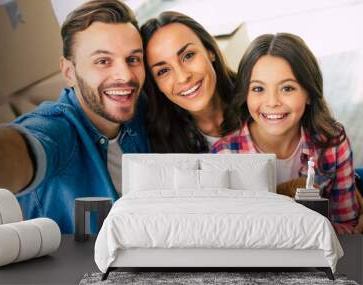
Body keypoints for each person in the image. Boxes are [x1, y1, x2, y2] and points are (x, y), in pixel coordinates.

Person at [0, 0, 149, 233]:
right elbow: (8, 155)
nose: (125, 75)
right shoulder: (57, 129)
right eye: (103, 61)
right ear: (69, 73)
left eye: (133, 59)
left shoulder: (141, 112)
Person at [211, 33, 363, 234]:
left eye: (287, 88)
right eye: (258, 88)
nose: (272, 101)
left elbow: (347, 223)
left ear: (308, 93)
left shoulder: (332, 141)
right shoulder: (223, 156)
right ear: (245, 95)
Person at [140, 11, 236, 153]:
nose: (182, 77)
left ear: (210, 51)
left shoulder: (260, 103)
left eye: (188, 55)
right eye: (163, 71)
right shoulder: (160, 147)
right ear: (156, 84)